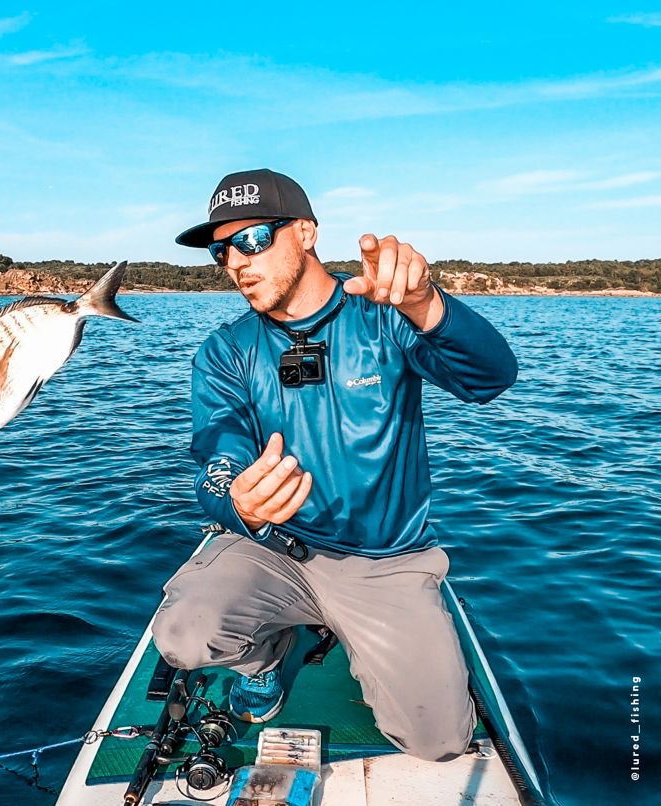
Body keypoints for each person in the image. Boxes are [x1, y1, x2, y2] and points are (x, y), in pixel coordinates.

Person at [153, 168, 518, 762]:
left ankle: (367, 641)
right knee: (182, 631)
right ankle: (262, 659)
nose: (237, 264)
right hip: (277, 550)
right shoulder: (226, 351)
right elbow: (216, 460)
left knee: (441, 740)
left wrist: (428, 304)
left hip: (384, 562)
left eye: (252, 240)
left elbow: (491, 378)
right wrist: (236, 501)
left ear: (305, 232)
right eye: (222, 252)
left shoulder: (384, 313)